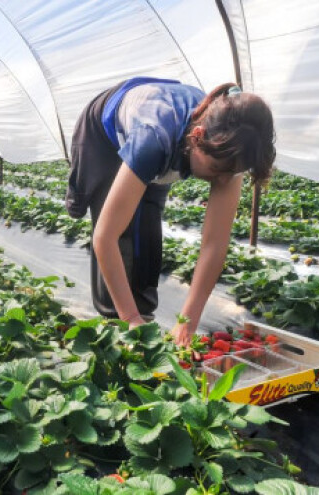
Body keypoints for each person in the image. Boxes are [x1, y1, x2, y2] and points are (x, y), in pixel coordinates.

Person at [66, 77, 275, 346]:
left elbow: (215, 243)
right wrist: (129, 318)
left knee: (147, 230)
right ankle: (116, 326)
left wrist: (187, 322)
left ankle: (144, 318)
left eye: (231, 174)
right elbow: (104, 238)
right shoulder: (153, 140)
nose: (222, 181)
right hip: (103, 132)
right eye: (216, 171)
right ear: (197, 138)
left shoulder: (230, 152)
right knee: (122, 234)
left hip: (170, 142)